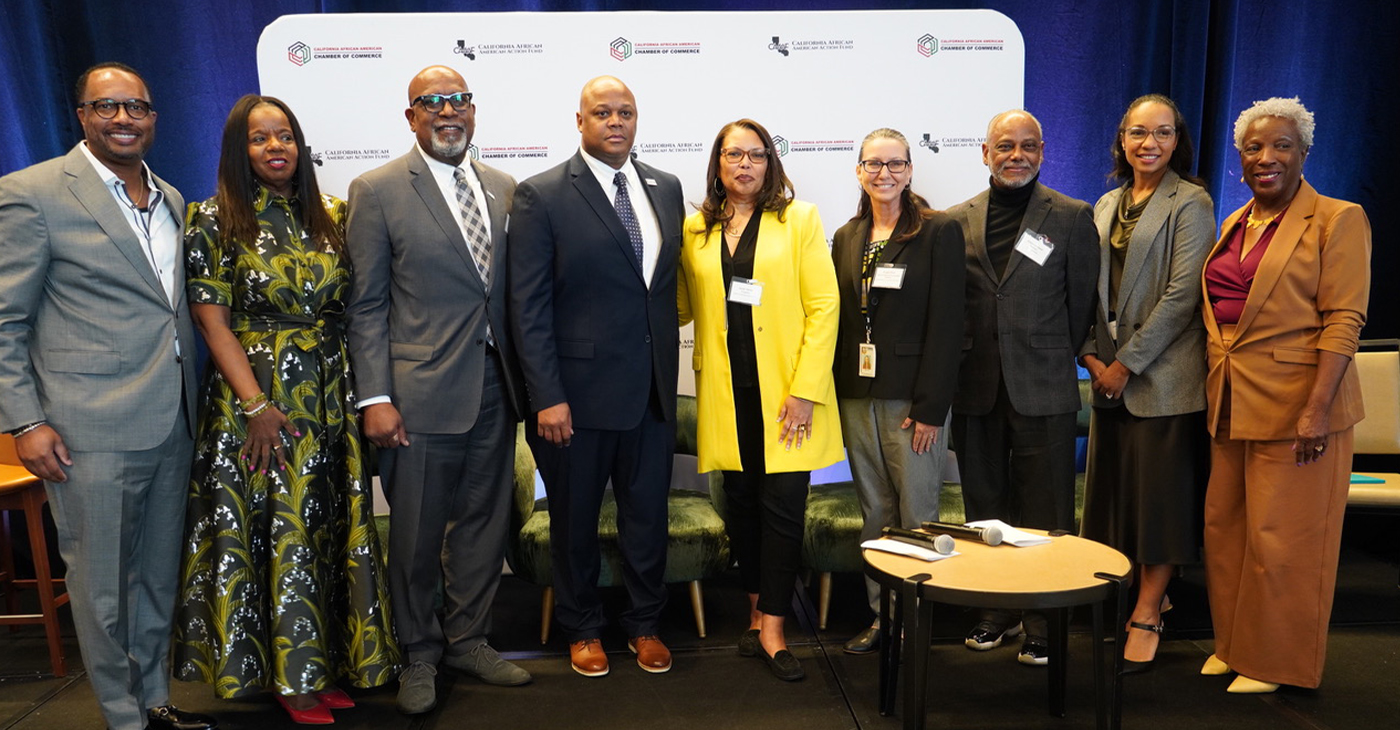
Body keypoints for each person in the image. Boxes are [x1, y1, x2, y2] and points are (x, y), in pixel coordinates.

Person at [0, 62, 216, 730]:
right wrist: (26, 422)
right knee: (101, 588)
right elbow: (6, 321)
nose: (123, 119)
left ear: (154, 118)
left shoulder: (174, 197)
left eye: (137, 108)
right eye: (107, 107)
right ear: (82, 116)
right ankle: (121, 717)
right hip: (84, 428)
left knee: (155, 579)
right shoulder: (31, 193)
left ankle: (154, 701)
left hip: (172, 419)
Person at [172, 94, 398, 724]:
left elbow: (359, 306)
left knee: (325, 528)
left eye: (285, 137)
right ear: (238, 151)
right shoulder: (211, 217)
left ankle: (325, 664)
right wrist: (257, 405)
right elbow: (210, 321)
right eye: (259, 138)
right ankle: (288, 678)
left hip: (330, 392)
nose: (275, 148)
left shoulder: (331, 213)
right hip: (260, 400)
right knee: (278, 531)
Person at [345, 66, 531, 714]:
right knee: (417, 535)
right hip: (416, 398)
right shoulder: (377, 190)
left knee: (483, 524)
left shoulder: (505, 188)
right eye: (432, 103)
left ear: (473, 111)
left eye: (458, 101)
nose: (447, 112)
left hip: (494, 388)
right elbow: (365, 305)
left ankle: (468, 640)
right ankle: (418, 655)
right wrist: (375, 398)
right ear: (411, 116)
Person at [509, 76, 684, 678]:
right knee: (575, 521)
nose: (616, 121)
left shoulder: (666, 187)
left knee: (647, 519)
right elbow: (527, 307)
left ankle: (644, 624)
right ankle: (582, 629)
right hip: (574, 402)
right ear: (579, 121)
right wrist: (546, 397)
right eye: (603, 112)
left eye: (626, 112)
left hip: (653, 392)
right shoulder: (543, 194)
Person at [1199, 97, 1369, 693]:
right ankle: (1234, 645)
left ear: (1303, 154)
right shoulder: (1233, 222)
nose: (1266, 157)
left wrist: (1317, 410)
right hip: (1232, 402)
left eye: (1281, 146)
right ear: (1239, 158)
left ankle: (1276, 662)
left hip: (1301, 405)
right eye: (1253, 147)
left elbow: (1343, 319)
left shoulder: (1337, 218)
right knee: (1226, 532)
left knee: (1286, 541)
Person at [678, 118, 843, 681]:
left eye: (755, 155)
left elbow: (825, 308)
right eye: (733, 155)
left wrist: (804, 392)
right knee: (741, 507)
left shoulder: (798, 220)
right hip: (726, 395)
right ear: (718, 164)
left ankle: (774, 628)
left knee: (783, 508)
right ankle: (754, 611)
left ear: (770, 163)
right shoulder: (694, 229)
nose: (744, 165)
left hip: (785, 397)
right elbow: (676, 306)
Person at [946, 109, 1097, 666]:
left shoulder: (1073, 217)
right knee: (985, 508)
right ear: (985, 152)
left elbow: (1081, 304)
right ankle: (996, 611)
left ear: (1042, 151)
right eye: (1005, 145)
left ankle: (1043, 620)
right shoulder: (955, 220)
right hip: (976, 388)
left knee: (1046, 510)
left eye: (1027, 146)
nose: (1016, 155)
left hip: (1044, 386)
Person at [1077, 95, 1215, 673]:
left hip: (1162, 379)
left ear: (1177, 139)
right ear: (1122, 139)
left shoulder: (1192, 202)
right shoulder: (1106, 202)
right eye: (1138, 133)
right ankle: (1126, 597)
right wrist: (1089, 354)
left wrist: (1126, 363)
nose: (1149, 144)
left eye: (1161, 133)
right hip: (1108, 381)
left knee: (1161, 507)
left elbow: (1184, 296)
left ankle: (1149, 611)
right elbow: (1084, 285)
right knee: (1117, 504)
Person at [830, 128, 965, 655]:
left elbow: (948, 323)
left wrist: (932, 407)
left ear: (910, 170)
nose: (883, 174)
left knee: (917, 515)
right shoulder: (847, 235)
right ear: (859, 171)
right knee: (874, 513)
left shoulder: (938, 231)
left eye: (895, 164)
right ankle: (881, 617)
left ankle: (916, 622)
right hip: (857, 394)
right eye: (873, 164)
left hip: (914, 403)